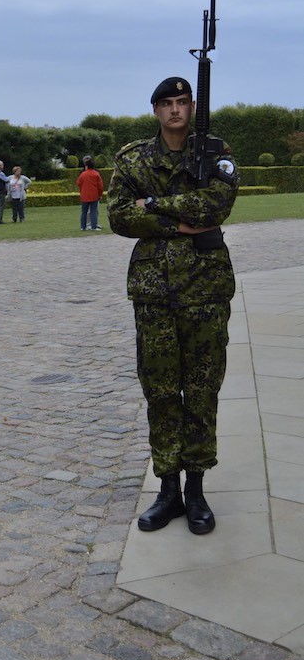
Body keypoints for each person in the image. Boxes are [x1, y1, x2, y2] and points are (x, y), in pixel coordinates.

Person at [107, 76, 239, 536]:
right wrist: (179, 223)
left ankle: (197, 489)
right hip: (154, 290)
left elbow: (216, 206)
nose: (176, 110)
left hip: (205, 287)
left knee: (201, 391)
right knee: (161, 392)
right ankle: (168, 490)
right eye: (167, 103)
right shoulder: (132, 158)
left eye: (183, 102)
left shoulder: (214, 151)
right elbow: (119, 216)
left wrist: (157, 206)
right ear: (156, 110)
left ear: (193, 106)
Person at [76, 157, 104, 231]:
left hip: (84, 195)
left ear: (86, 166)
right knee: (93, 211)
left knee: (84, 212)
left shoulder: (83, 174)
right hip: (94, 195)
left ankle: (83, 227)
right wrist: (100, 194)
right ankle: (94, 227)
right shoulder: (96, 174)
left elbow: (78, 183)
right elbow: (100, 186)